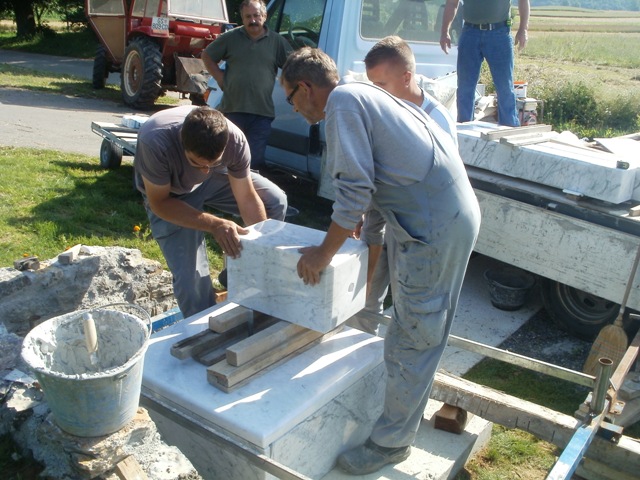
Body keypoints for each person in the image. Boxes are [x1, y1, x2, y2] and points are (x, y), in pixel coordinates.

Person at [281, 47, 481, 475]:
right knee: (421, 331)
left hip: (433, 226)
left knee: (414, 336)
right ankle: (400, 420)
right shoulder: (362, 94)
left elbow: (353, 191)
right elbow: (380, 177)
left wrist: (322, 253)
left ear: (306, 87)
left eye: (291, 99)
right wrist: (361, 233)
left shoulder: (342, 103)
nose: (294, 109)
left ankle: (391, 443)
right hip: (446, 214)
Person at [134, 105, 287, 318]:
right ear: (182, 142)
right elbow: (160, 202)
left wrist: (262, 248)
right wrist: (214, 224)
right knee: (191, 282)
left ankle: (239, 273)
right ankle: (205, 327)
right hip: (172, 195)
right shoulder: (155, 141)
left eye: (212, 163)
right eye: (196, 163)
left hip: (215, 181)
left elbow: (246, 197)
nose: (204, 170)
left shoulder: (235, 140)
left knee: (274, 202)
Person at [354, 35, 458, 324]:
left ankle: (399, 360)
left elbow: (442, 188)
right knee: (366, 292)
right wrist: (364, 211)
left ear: (407, 77)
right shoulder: (383, 111)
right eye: (371, 85)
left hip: (415, 229)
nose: (375, 93)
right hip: (381, 219)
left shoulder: (437, 121)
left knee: (407, 299)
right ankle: (360, 352)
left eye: (381, 85)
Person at [202, 0, 293, 171]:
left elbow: (293, 67)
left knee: (254, 162)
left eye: (256, 15)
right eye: (248, 16)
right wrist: (220, 78)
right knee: (227, 160)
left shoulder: (277, 42)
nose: (253, 20)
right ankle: (225, 195)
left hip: (261, 115)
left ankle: (250, 196)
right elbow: (207, 56)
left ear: (264, 16)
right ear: (242, 18)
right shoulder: (231, 38)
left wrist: (292, 91)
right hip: (232, 111)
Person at [440, 0, 530, 126]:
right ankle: (464, 130)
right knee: (465, 87)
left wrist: (523, 29)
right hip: (470, 32)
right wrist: (445, 32)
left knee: (504, 87)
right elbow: (452, 3)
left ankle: (508, 130)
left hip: (499, 33)